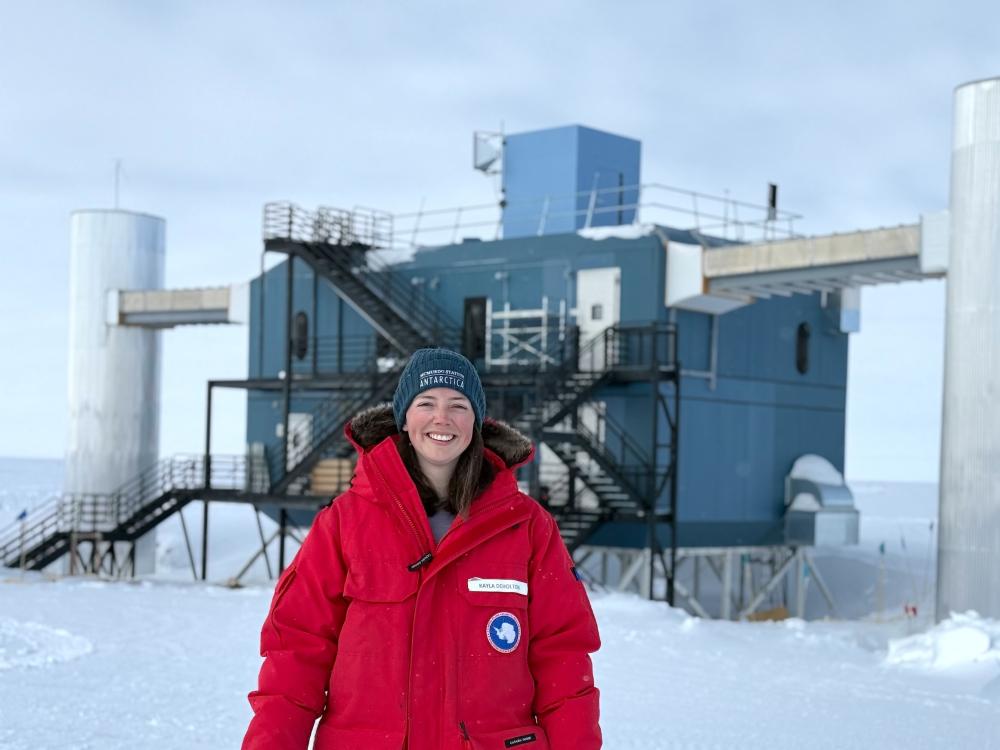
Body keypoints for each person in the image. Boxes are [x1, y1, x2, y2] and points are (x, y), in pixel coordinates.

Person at [242, 348, 602, 750]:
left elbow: (563, 660)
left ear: (476, 421)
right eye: (426, 403)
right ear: (404, 418)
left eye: (458, 405)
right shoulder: (344, 522)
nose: (441, 417)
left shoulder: (528, 526)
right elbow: (296, 653)